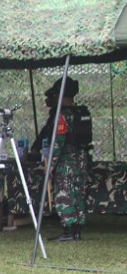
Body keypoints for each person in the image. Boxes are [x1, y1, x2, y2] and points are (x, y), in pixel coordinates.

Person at [44, 77, 90, 242]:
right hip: (82, 157)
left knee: (63, 192)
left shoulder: (62, 115)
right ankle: (77, 230)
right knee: (78, 192)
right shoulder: (81, 112)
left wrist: (51, 163)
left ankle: (68, 230)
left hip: (67, 159)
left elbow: (58, 141)